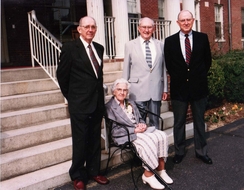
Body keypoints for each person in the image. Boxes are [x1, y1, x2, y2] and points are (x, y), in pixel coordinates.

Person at [57, 16, 109, 190]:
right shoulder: (70, 48)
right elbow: (62, 77)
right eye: (86, 27)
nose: (90, 30)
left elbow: (97, 78)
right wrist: (72, 98)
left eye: (93, 27)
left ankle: (94, 171)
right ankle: (78, 174)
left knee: (94, 140)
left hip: (96, 103)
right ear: (79, 29)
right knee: (80, 141)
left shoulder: (99, 48)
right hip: (79, 104)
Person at [105, 78, 173, 190]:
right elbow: (114, 131)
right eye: (119, 89)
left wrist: (142, 125)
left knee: (162, 136)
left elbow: (140, 118)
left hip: (139, 130)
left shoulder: (130, 102)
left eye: (125, 90)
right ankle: (148, 175)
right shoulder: (109, 107)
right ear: (114, 91)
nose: (122, 92)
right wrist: (134, 130)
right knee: (149, 142)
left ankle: (161, 170)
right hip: (125, 134)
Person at [164, 10, 212, 165]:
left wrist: (196, 77)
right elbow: (170, 65)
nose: (185, 22)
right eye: (182, 20)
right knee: (179, 123)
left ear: (193, 20)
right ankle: (179, 152)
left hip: (199, 88)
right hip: (179, 89)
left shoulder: (202, 38)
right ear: (178, 22)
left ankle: (201, 152)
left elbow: (207, 62)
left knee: (199, 121)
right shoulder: (170, 41)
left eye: (188, 20)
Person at [122, 17, 168, 130]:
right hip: (137, 91)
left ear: (153, 28)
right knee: (138, 123)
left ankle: (156, 146)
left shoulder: (160, 45)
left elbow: (163, 68)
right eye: (144, 27)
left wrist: (165, 88)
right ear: (138, 28)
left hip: (155, 90)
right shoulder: (130, 45)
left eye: (149, 27)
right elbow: (126, 68)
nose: (146, 30)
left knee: (155, 123)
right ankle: (140, 147)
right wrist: (124, 89)